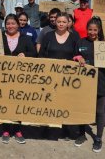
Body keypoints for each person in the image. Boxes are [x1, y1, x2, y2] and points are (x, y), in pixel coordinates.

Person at [38, 12, 81, 142]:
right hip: (50, 76)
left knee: (65, 102)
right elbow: (41, 55)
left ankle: (66, 129)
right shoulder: (48, 36)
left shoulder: (74, 37)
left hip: (67, 78)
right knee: (49, 101)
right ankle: (47, 127)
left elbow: (77, 54)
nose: (61, 24)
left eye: (64, 22)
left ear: (68, 23)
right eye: (59, 22)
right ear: (55, 23)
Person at [0, 14, 37, 144]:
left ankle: (17, 130)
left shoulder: (26, 39)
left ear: (18, 25)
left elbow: (34, 55)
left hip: (20, 79)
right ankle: (5, 130)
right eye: (8, 24)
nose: (10, 26)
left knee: (18, 103)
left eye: (13, 23)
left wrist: (25, 55)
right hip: (2, 78)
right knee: (4, 102)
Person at [73, 16, 105, 152]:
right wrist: (78, 57)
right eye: (90, 29)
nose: (92, 32)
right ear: (86, 30)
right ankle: (81, 134)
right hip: (84, 83)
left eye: (95, 30)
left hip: (100, 82)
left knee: (100, 111)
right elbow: (74, 56)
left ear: (99, 30)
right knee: (83, 109)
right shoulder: (80, 42)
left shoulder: (104, 44)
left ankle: (98, 138)